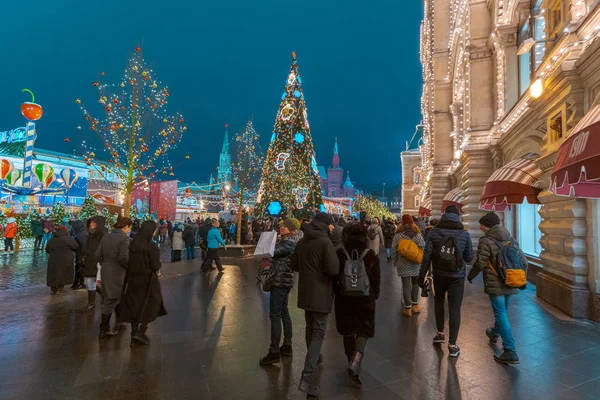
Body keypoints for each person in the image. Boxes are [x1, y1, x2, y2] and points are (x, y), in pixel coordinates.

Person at [468, 213, 528, 365]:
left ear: (486, 225)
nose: (480, 227)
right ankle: (495, 333)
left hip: (496, 284)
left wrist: (470, 275)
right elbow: (524, 261)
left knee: (501, 313)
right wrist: (521, 278)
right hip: (511, 280)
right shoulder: (511, 239)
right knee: (503, 313)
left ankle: (510, 350)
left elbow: (480, 263)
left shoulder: (486, 240)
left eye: (481, 224)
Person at [291, 213, 339, 397]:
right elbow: (333, 269)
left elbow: (294, 264)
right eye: (332, 225)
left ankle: (316, 356)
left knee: (310, 327)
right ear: (326, 225)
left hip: (305, 291)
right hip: (321, 293)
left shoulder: (303, 241)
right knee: (318, 331)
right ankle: (307, 376)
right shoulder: (325, 243)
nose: (334, 228)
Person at [418, 205, 473, 358]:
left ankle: (440, 333)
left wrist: (421, 276)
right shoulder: (464, 234)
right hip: (457, 276)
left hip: (439, 274)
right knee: (455, 308)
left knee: (439, 301)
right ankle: (453, 345)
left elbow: (426, 256)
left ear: (444, 215)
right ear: (457, 217)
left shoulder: (434, 232)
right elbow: (469, 258)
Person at [334, 223, 380, 386]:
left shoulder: (340, 253)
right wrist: (375, 294)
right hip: (365, 298)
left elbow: (334, 275)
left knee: (348, 331)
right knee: (363, 330)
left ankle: (349, 359)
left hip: (344, 298)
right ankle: (356, 361)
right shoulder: (370, 254)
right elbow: (376, 279)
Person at [260, 218, 304, 365]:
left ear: (291, 228)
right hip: (285, 280)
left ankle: (274, 351)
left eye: (284, 226)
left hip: (280, 281)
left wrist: (268, 240)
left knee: (275, 314)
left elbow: (271, 251)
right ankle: (287, 345)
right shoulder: (290, 240)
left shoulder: (289, 243)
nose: (281, 227)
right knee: (284, 312)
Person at [118, 220, 167, 346]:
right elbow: (155, 265)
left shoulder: (133, 244)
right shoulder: (152, 246)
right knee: (151, 304)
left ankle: (134, 334)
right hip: (148, 280)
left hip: (133, 279)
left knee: (135, 305)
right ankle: (141, 332)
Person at [96, 217, 132, 339]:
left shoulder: (106, 236)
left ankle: (119, 321)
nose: (129, 230)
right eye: (129, 227)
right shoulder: (124, 239)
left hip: (106, 269)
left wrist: (105, 264)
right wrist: (129, 268)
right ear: (125, 227)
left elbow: (98, 254)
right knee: (111, 299)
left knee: (115, 296)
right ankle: (104, 329)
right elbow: (123, 258)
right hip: (117, 272)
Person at [392, 215, 426, 317]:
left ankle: (407, 308)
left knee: (406, 285)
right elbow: (423, 248)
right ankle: (415, 306)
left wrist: (395, 261)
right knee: (415, 284)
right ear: (413, 224)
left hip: (403, 264)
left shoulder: (398, 236)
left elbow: (394, 249)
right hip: (416, 264)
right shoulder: (418, 235)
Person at [82, 216, 106, 311]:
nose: (91, 224)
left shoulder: (102, 234)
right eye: (90, 222)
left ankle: (97, 301)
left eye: (93, 222)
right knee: (90, 282)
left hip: (97, 262)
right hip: (89, 261)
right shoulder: (90, 234)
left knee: (94, 282)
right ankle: (92, 302)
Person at [46, 226, 78, 295]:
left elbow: (47, 250)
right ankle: (60, 289)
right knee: (63, 274)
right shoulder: (67, 239)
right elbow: (75, 246)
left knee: (53, 274)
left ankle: (53, 289)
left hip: (53, 260)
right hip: (65, 259)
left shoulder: (51, 239)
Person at [70, 220, 88, 290]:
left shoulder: (80, 234)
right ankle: (76, 283)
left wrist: (82, 256)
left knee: (80, 269)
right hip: (80, 254)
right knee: (78, 268)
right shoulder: (80, 233)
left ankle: (80, 283)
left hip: (81, 254)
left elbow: (84, 246)